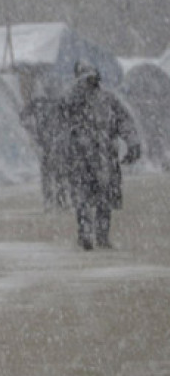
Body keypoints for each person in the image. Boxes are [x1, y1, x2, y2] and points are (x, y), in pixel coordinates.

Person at [59, 61, 141, 250]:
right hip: (84, 157)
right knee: (85, 198)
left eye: (91, 77)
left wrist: (133, 143)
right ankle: (87, 235)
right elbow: (60, 128)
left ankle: (98, 236)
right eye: (86, 77)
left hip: (102, 157)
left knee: (100, 198)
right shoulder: (72, 99)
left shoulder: (107, 99)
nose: (89, 81)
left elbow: (124, 121)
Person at [19, 95, 70, 211]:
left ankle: (53, 200)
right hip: (51, 143)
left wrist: (33, 131)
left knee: (52, 173)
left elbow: (23, 116)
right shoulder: (53, 101)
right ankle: (58, 200)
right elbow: (23, 116)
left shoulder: (41, 102)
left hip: (48, 142)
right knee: (56, 173)